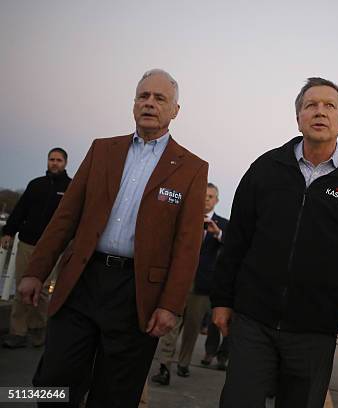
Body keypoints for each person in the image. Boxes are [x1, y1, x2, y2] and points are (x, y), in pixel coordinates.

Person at [17, 69, 208, 407]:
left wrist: (170, 305)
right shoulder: (102, 150)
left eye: (159, 98)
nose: (149, 103)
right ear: (134, 104)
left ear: (175, 111)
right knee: (54, 379)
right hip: (82, 280)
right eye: (143, 96)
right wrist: (35, 271)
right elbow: (66, 218)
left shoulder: (191, 168)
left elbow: (188, 245)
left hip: (137, 294)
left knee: (115, 393)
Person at [211, 77, 338, 408]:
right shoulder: (266, 169)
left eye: (329, 106)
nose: (320, 112)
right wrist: (222, 299)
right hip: (253, 319)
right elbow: (237, 240)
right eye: (311, 105)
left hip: (315, 331)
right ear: (298, 118)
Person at [150, 182, 228, 384]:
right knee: (171, 323)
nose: (206, 199)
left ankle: (183, 363)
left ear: (216, 201)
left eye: (211, 196)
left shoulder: (222, 224)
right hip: (180, 280)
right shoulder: (186, 218)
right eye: (204, 195)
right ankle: (164, 365)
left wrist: (218, 234)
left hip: (202, 285)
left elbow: (231, 247)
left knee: (193, 327)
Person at [1, 148, 71, 349]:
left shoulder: (70, 187)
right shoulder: (35, 185)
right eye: (51, 159)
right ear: (47, 161)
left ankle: (39, 329)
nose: (54, 163)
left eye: (58, 160)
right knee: (21, 286)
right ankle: (17, 332)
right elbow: (20, 210)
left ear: (65, 163)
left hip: (53, 249)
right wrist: (8, 232)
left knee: (41, 291)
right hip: (26, 243)